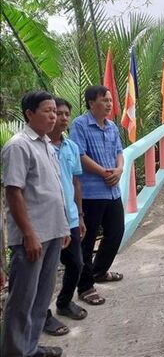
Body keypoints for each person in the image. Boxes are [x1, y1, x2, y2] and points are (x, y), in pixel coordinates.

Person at [2, 91, 70, 357]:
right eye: (47, 111)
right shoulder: (19, 146)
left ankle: (29, 349)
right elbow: (13, 191)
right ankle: (15, 353)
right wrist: (28, 234)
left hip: (53, 232)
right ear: (29, 114)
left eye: (55, 110)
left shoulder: (46, 144)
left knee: (41, 298)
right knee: (21, 301)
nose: (54, 116)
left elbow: (54, 190)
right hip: (33, 237)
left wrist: (63, 226)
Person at [70, 85, 125, 306]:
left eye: (110, 100)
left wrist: (119, 170)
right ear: (91, 103)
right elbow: (79, 155)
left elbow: (119, 152)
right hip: (91, 192)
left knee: (116, 232)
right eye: (105, 100)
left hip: (113, 191)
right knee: (87, 240)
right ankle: (84, 287)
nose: (109, 104)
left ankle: (99, 271)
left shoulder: (112, 127)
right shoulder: (80, 125)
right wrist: (103, 172)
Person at [43, 98, 88, 337]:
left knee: (76, 264)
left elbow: (75, 183)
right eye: (56, 112)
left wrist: (80, 215)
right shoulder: (40, 146)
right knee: (46, 272)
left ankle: (64, 302)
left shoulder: (70, 147)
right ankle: (43, 316)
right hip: (47, 221)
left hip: (70, 217)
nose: (61, 117)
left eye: (65, 114)